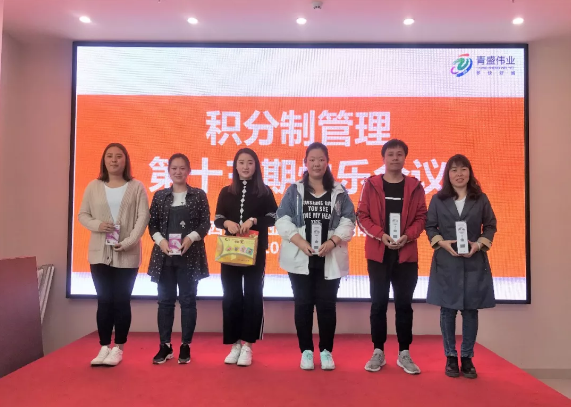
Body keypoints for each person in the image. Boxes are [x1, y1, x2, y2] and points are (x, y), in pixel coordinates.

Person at [276, 142, 356, 371]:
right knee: (303, 305)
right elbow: (282, 219)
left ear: (327, 162)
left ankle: (326, 351)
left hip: (329, 257)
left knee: (327, 306)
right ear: (305, 162)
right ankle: (306, 351)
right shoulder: (295, 190)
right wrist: (299, 241)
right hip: (300, 256)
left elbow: (349, 220)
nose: (317, 164)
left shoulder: (339, 191)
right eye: (312, 159)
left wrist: (333, 242)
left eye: (321, 159)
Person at [356, 138, 427, 375]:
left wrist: (408, 236)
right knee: (378, 304)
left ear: (405, 158)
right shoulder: (371, 184)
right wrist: (380, 235)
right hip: (378, 254)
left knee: (404, 305)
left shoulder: (415, 186)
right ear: (383, 158)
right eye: (391, 154)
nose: (395, 158)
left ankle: (404, 352)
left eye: (399, 154)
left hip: (406, 254)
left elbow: (422, 217)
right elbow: (362, 216)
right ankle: (378, 351)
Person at [425, 154, 497, 379]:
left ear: (470, 172)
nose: (459, 174)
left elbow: (490, 226)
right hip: (447, 261)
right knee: (447, 311)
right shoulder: (438, 199)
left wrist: (479, 245)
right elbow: (430, 226)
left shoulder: (480, 199)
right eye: (454, 170)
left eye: (463, 169)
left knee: (470, 310)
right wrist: (441, 243)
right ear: (448, 174)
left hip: (473, 261)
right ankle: (450, 357)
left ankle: (467, 358)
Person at [78, 143, 150, 367]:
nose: (114, 160)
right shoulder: (93, 186)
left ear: (126, 160)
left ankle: (118, 348)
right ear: (104, 160)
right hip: (99, 254)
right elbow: (83, 215)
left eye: (119, 156)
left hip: (127, 254)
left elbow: (143, 218)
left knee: (121, 300)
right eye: (109, 156)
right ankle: (103, 347)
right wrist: (99, 225)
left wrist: (128, 242)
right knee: (104, 300)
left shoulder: (136, 187)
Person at [214, 148, 278, 367]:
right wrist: (227, 223)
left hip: (255, 251)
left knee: (252, 295)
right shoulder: (226, 191)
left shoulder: (264, 192)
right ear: (235, 166)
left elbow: (274, 216)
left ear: (256, 166)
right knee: (231, 295)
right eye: (241, 162)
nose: (245, 166)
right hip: (230, 250)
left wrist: (253, 220)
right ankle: (234, 344)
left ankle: (248, 344)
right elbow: (218, 218)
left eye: (250, 162)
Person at [147, 153, 211, 365]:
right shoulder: (160, 196)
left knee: (188, 301)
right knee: (165, 302)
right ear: (168, 171)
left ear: (189, 171)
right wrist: (161, 242)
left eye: (182, 168)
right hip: (164, 258)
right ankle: (165, 346)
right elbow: (152, 224)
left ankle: (185, 345)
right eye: (174, 168)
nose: (178, 172)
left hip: (189, 257)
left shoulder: (198, 195)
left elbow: (205, 223)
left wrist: (191, 238)